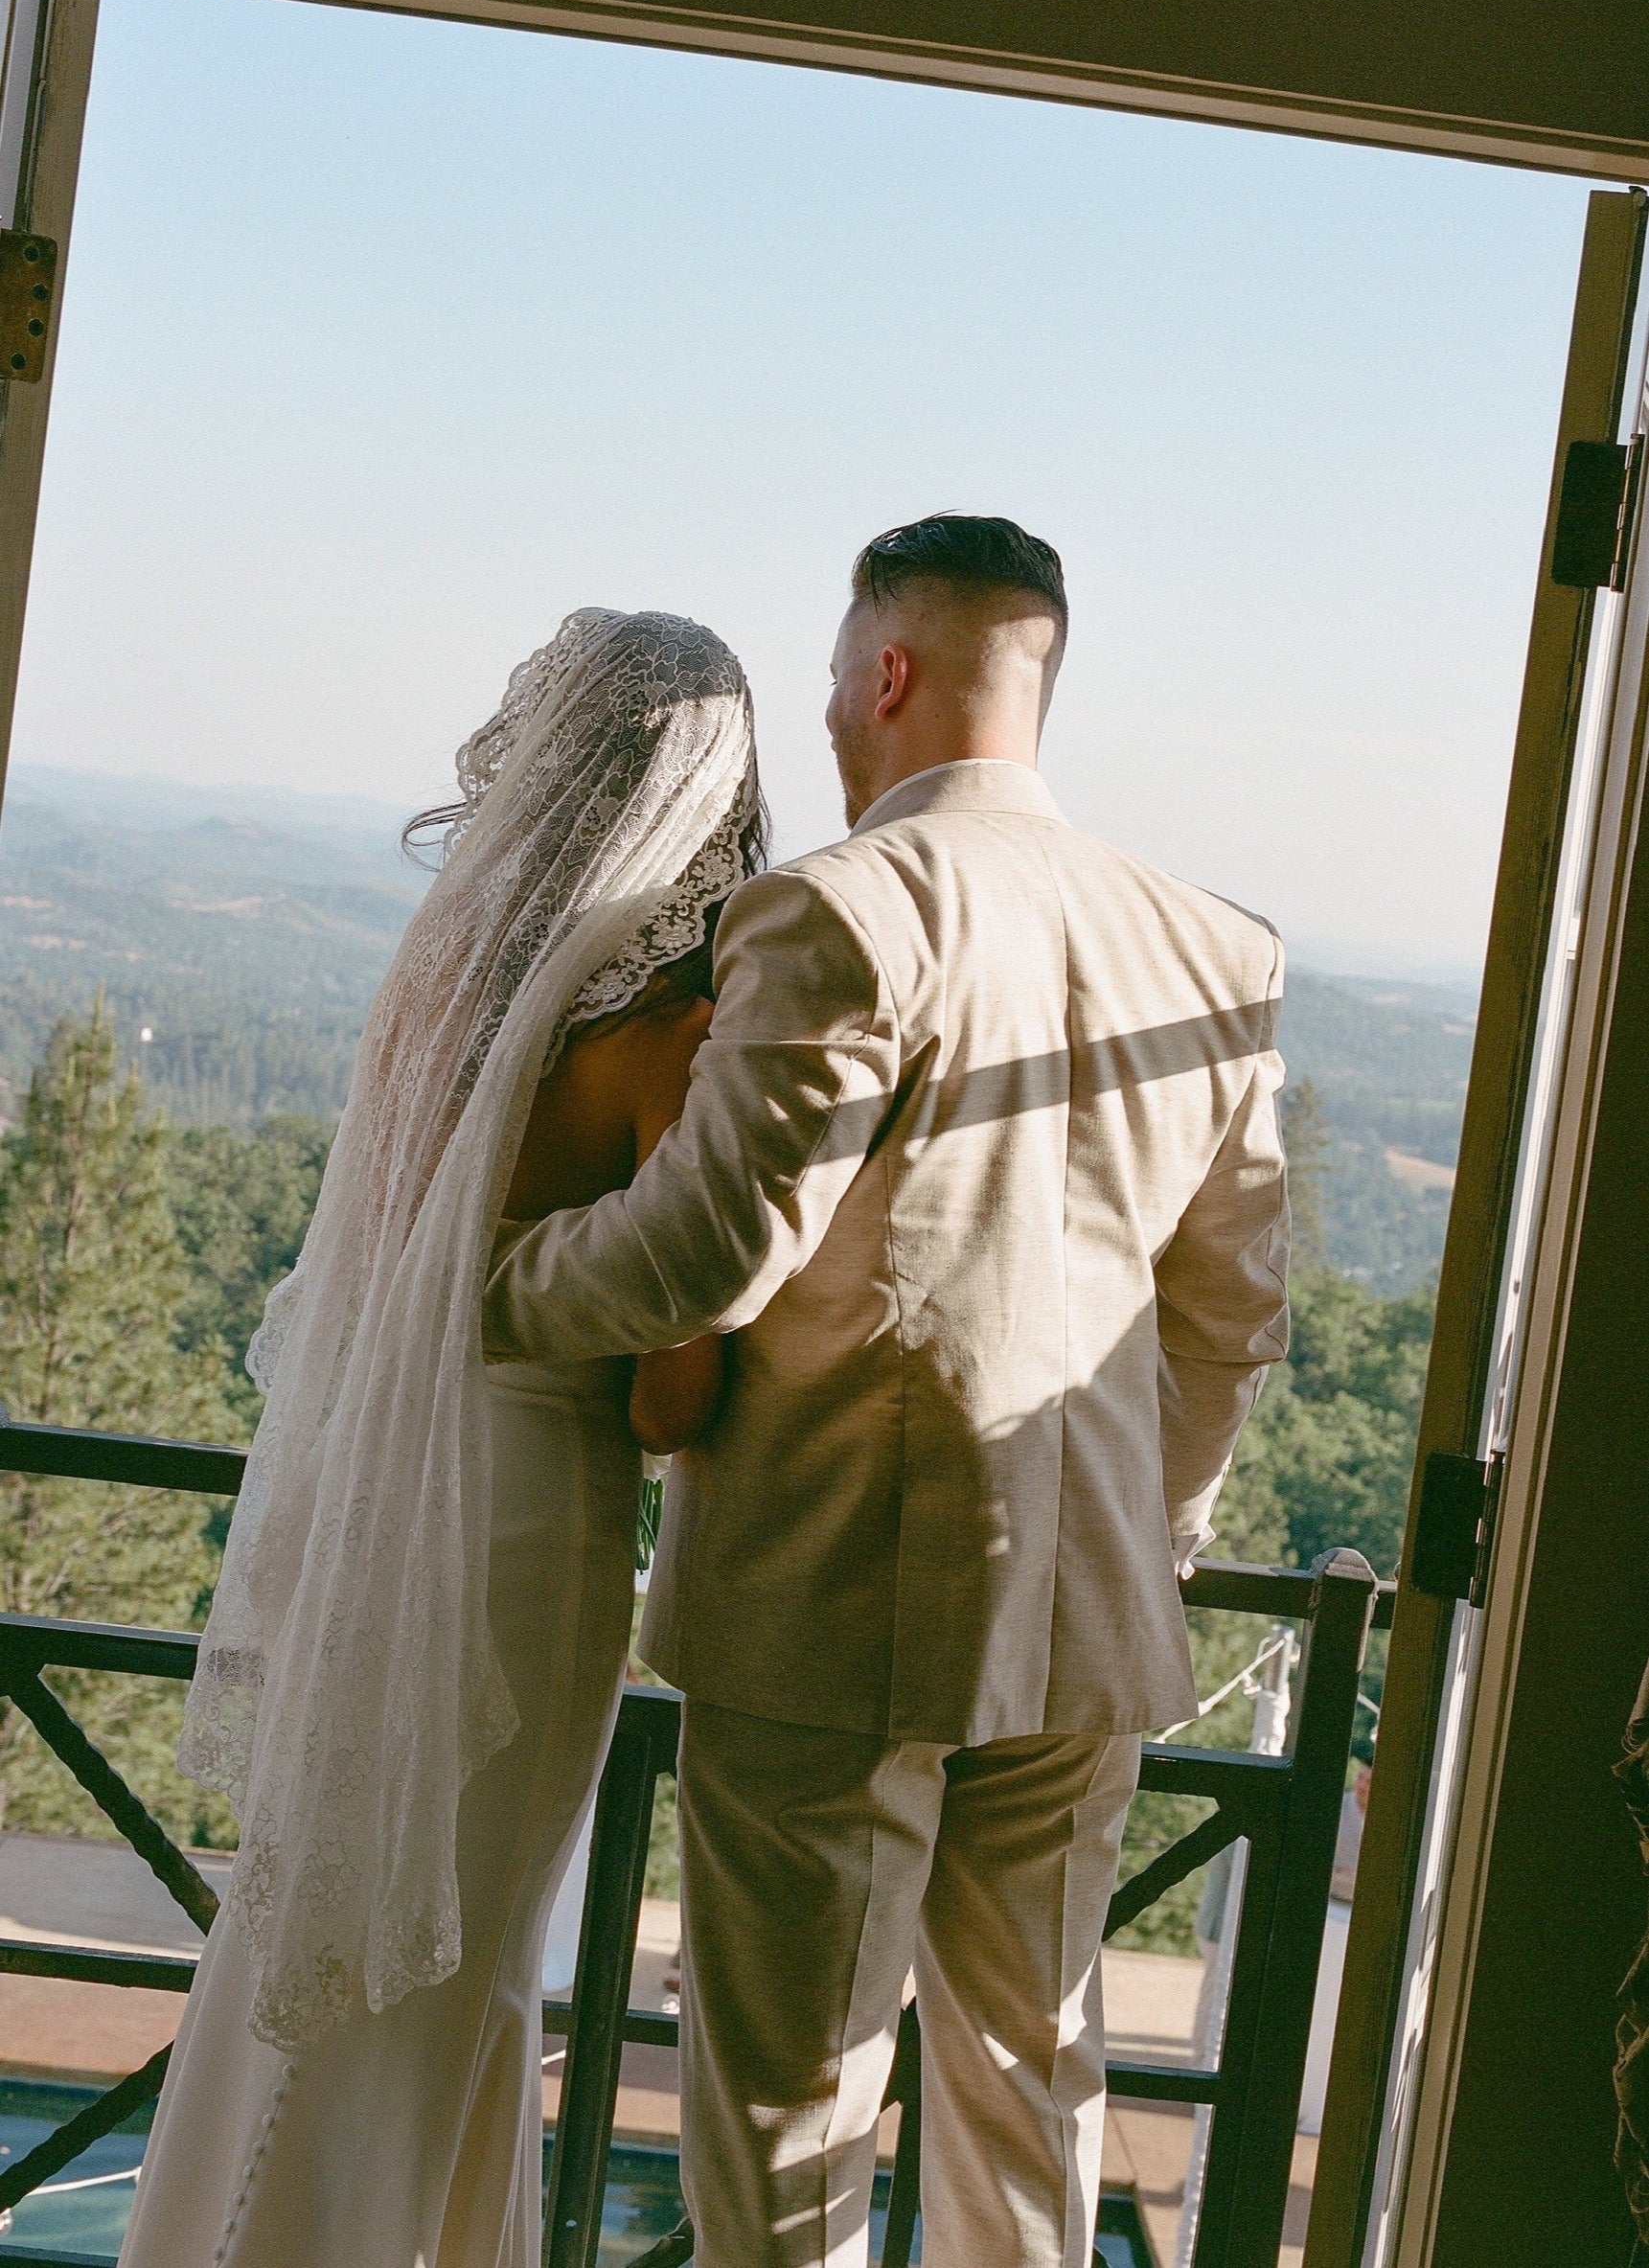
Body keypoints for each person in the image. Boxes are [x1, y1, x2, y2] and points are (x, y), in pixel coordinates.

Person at [485, 515, 1291, 2268]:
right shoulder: (1215, 950)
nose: (838, 725)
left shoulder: (840, 908)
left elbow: (697, 1256)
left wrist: (472, 1298)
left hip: (829, 1586)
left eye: (842, 683)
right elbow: (1230, 1318)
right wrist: (1156, 1528)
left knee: (787, 2115)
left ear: (887, 671)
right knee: (1032, 2083)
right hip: (1086, 1606)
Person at [118, 609, 764, 2268]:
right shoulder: (671, 1041)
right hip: (528, 1523)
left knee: (312, 1929)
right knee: (460, 1959)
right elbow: (672, 1393)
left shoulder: (447, 998)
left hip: (381, 1507)